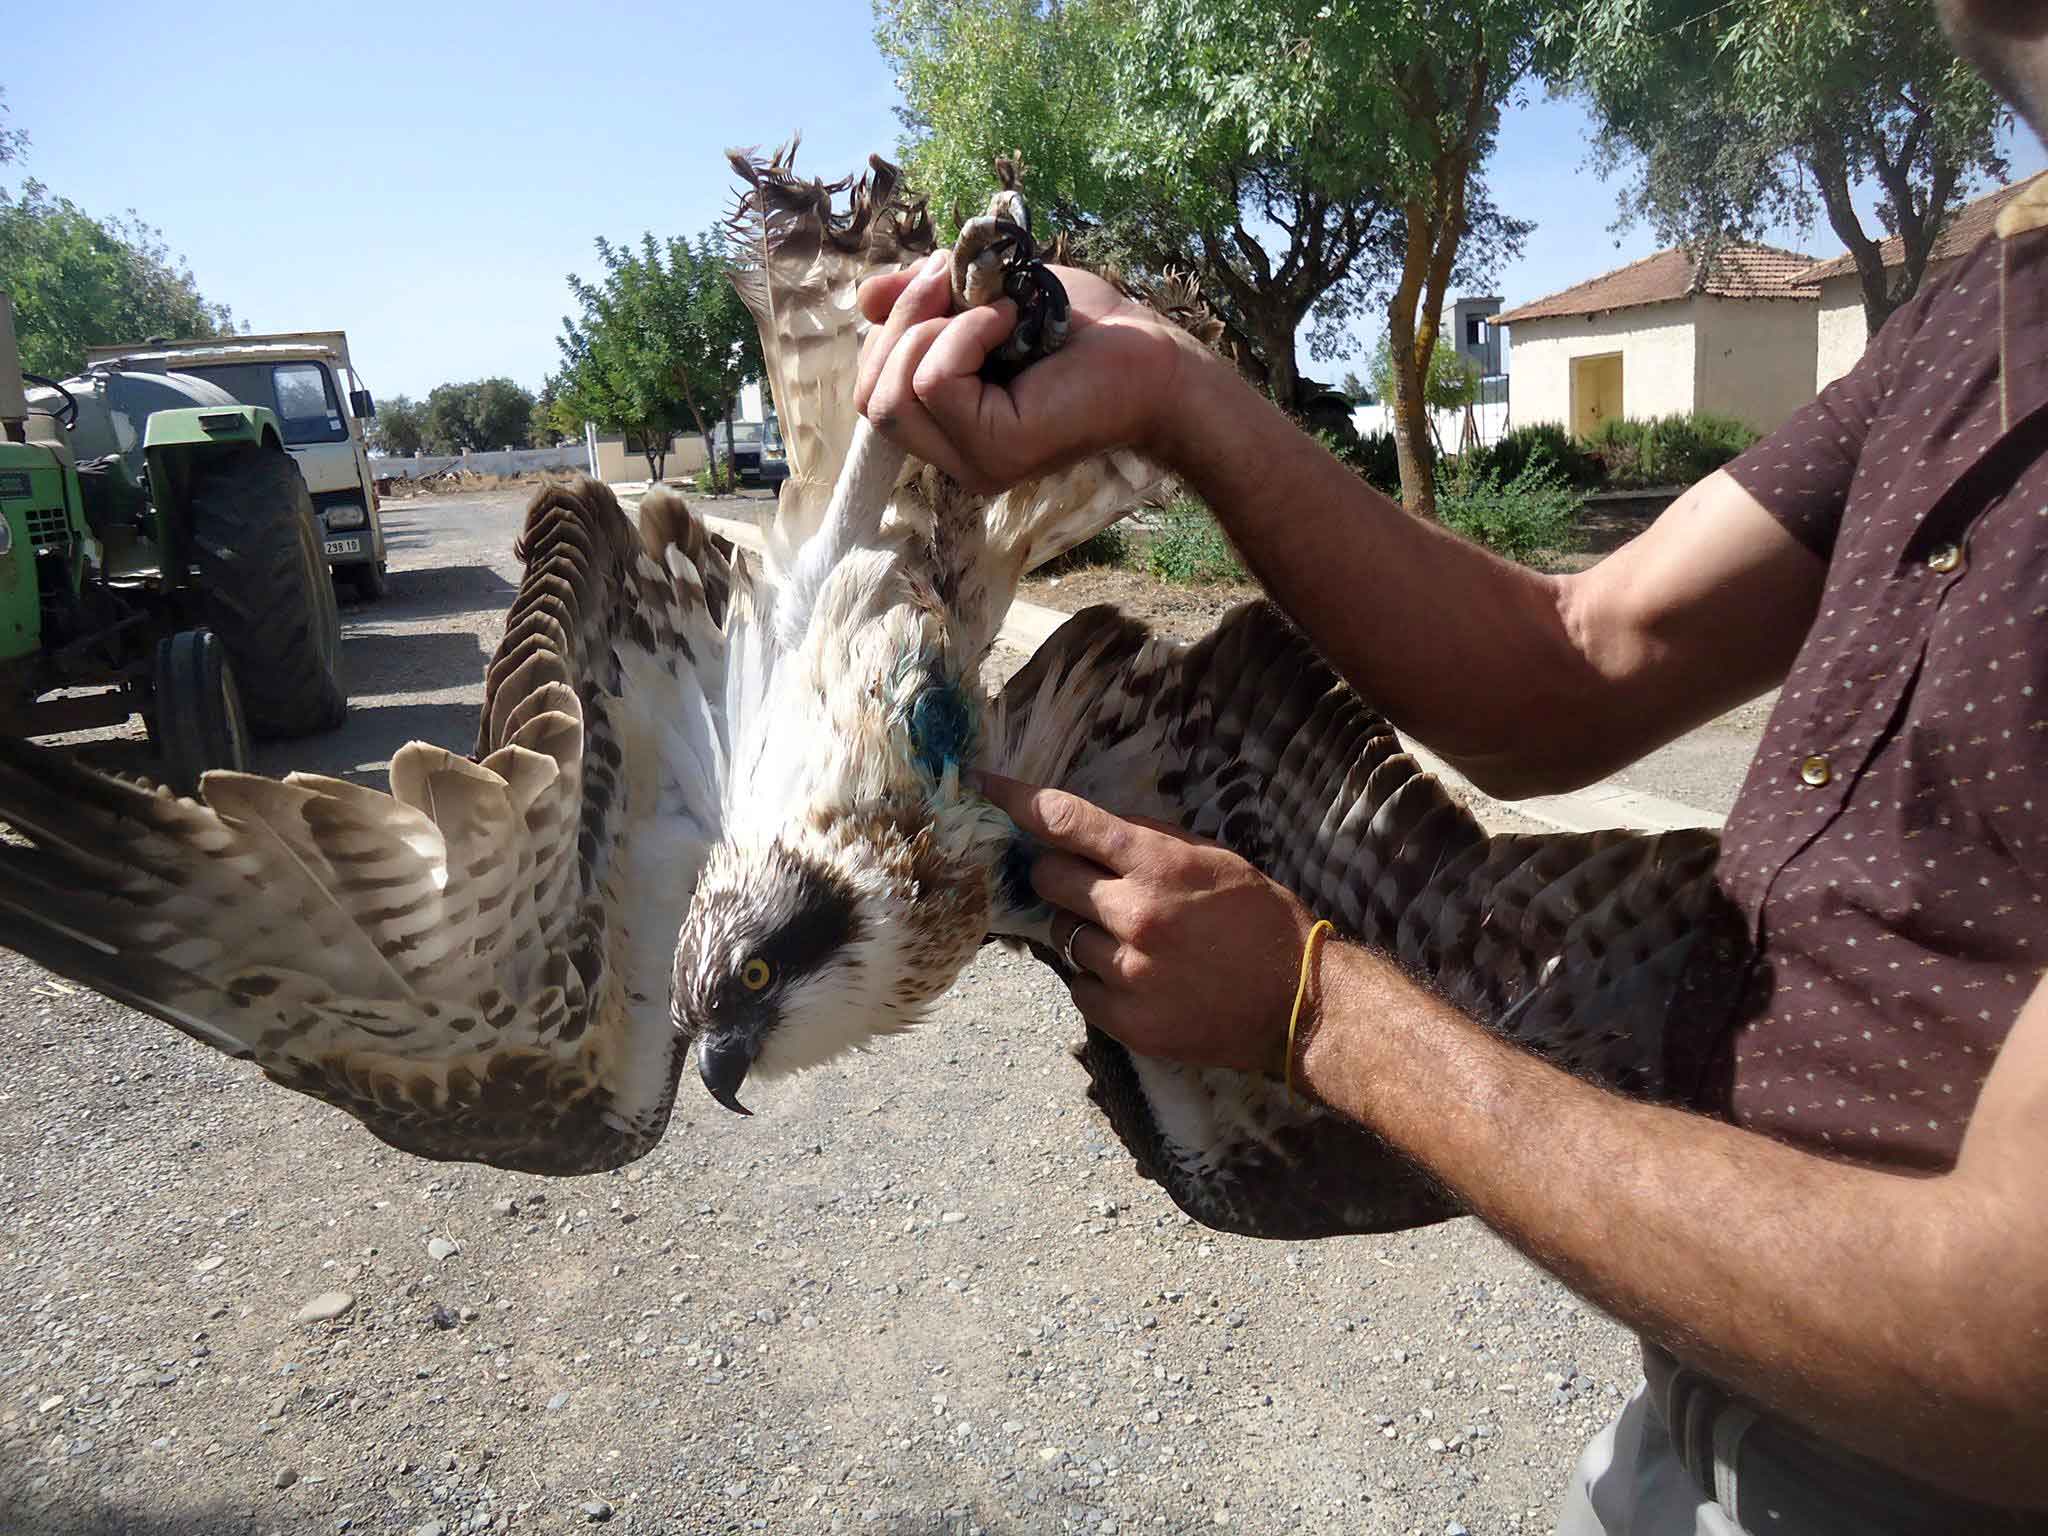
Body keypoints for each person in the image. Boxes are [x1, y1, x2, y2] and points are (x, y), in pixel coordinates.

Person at [850, 3, 2048, 1530]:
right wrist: (1172, 386)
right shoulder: (1991, 308)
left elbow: (2013, 1355)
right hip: (1707, 1414)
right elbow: (1579, 659)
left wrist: (1319, 1007)